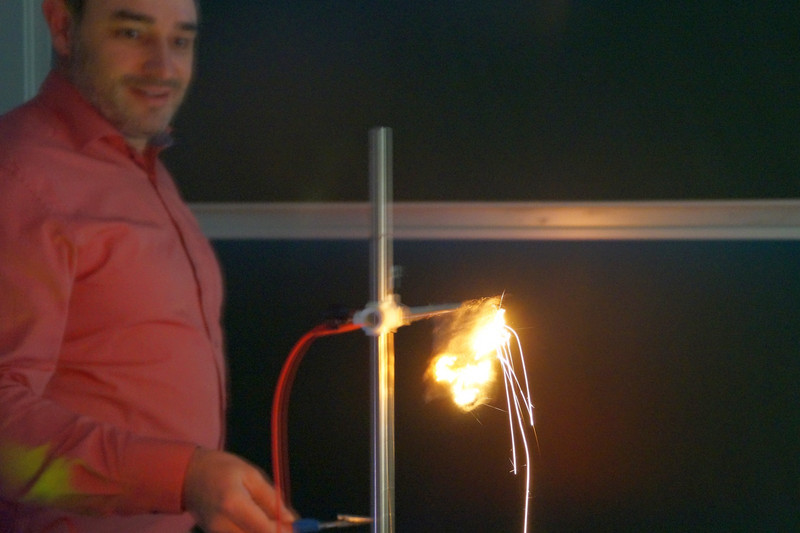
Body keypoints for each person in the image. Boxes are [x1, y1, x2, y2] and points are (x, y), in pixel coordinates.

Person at [0, 0, 295, 531]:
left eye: (181, 40)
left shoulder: (142, 168)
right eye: (132, 33)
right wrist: (183, 477)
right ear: (63, 27)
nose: (163, 67)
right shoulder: (19, 175)